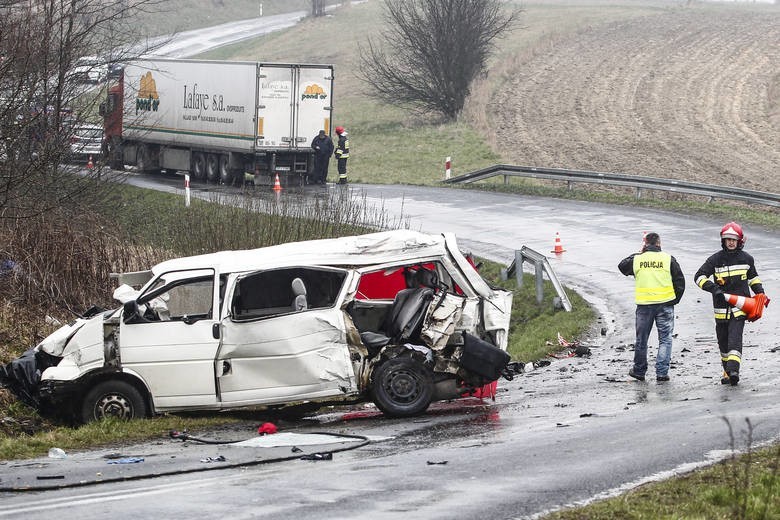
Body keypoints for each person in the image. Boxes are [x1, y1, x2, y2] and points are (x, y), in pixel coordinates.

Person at [694, 222, 766, 386]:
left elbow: (753, 278)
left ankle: (734, 371)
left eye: (734, 240)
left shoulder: (747, 259)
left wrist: (760, 293)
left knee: (735, 339)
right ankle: (727, 372)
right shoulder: (715, 259)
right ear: (723, 241)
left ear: (739, 241)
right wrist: (714, 289)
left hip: (740, 309)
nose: (731, 242)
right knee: (723, 342)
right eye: (728, 240)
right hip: (721, 310)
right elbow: (698, 277)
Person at [618, 232, 685, 382]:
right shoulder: (668, 259)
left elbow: (622, 266)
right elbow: (680, 281)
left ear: (645, 244)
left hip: (644, 306)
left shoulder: (637, 259)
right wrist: (675, 300)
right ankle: (661, 373)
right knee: (665, 340)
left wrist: (639, 253)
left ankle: (639, 371)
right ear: (659, 244)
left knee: (642, 340)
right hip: (665, 304)